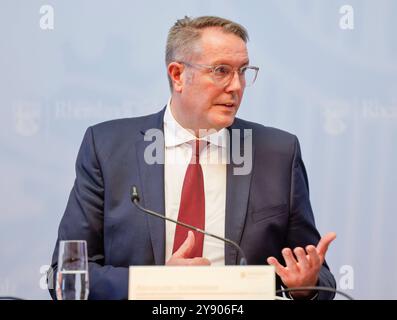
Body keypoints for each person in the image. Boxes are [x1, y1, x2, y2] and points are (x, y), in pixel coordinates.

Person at [49, 16, 336, 300]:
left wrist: (305, 286)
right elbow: (66, 273)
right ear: (177, 75)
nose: (236, 86)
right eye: (221, 71)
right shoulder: (107, 147)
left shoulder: (278, 153)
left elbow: (318, 274)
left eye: (243, 71)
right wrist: (157, 284)